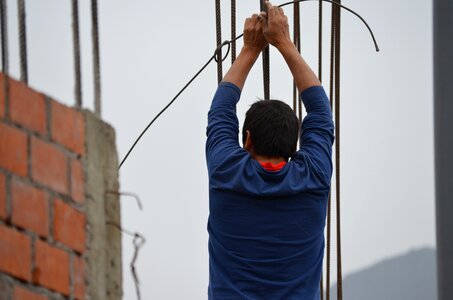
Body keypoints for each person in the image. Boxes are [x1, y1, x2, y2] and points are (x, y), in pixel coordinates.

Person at [205, 1, 334, 299]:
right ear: (294, 146)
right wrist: (284, 43)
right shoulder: (313, 177)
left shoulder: (226, 172)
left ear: (247, 139)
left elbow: (221, 110)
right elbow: (321, 112)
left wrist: (250, 49)